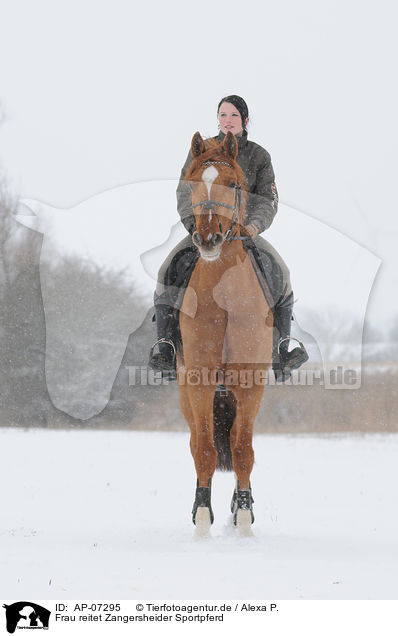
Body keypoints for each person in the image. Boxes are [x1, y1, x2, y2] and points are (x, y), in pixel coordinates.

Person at [148, 95, 308, 382]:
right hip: (204, 230)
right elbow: (185, 192)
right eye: (223, 114)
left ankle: (283, 348)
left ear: (245, 120)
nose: (228, 120)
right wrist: (193, 225)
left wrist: (253, 227)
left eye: (234, 115)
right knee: (165, 271)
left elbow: (268, 199)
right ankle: (166, 347)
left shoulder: (259, 156)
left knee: (282, 272)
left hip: (242, 235)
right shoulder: (202, 150)